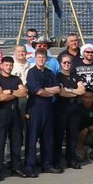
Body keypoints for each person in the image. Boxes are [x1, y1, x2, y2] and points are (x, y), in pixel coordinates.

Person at [24, 49, 61, 177]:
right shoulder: (32, 73)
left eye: (43, 57)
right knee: (32, 138)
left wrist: (46, 90)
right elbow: (37, 91)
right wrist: (49, 91)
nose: (41, 59)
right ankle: (30, 166)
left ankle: (47, 164)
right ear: (35, 58)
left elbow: (58, 88)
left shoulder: (50, 73)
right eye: (39, 57)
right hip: (35, 107)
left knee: (48, 138)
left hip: (48, 108)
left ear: (46, 59)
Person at [0, 55, 27, 180]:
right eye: (6, 65)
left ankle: (16, 167)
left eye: (11, 65)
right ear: (1, 66)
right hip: (2, 114)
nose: (9, 67)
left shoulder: (16, 79)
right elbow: (0, 97)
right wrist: (15, 93)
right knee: (0, 142)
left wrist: (11, 92)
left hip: (15, 113)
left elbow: (24, 92)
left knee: (16, 142)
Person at [53, 52, 86, 171]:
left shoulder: (75, 76)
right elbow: (61, 92)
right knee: (59, 136)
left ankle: (70, 160)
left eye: (69, 62)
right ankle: (56, 161)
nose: (67, 64)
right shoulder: (57, 77)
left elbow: (82, 90)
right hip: (61, 108)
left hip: (74, 109)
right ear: (60, 64)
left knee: (73, 136)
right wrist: (74, 90)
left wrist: (69, 90)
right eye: (64, 62)